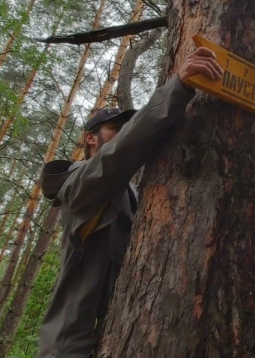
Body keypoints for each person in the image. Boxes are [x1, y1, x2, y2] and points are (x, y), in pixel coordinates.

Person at [37, 47, 223, 358]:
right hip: (71, 346)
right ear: (90, 138)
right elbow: (121, 153)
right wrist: (177, 87)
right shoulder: (78, 183)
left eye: (128, 126)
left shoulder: (132, 193)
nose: (123, 132)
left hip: (122, 337)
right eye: (115, 128)